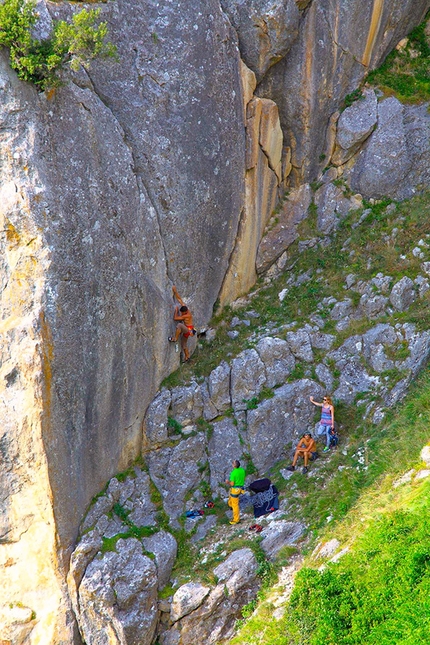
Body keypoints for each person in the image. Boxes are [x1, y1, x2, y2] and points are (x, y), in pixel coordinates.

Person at [168, 285, 196, 362]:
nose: (181, 313)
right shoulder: (185, 307)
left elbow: (175, 318)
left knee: (179, 325)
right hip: (189, 330)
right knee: (183, 344)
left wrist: (176, 311)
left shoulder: (187, 315)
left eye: (182, 312)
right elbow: (180, 299)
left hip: (188, 330)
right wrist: (175, 291)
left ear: (185, 312)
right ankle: (187, 356)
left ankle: (175, 338)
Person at [225, 459, 246, 525]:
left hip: (235, 489)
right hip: (241, 488)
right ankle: (230, 506)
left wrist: (228, 482)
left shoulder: (233, 473)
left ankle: (236, 520)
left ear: (234, 465)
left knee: (235, 505)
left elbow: (232, 484)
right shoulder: (242, 470)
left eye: (233, 463)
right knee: (230, 498)